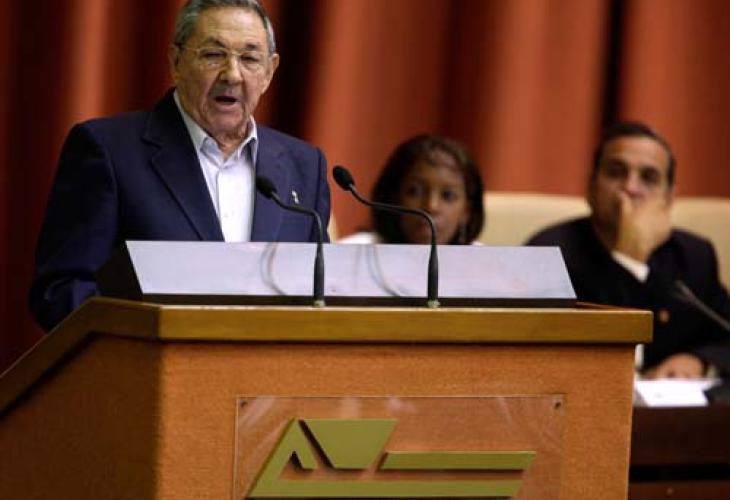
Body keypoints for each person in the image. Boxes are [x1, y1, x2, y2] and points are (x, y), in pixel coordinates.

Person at [30, 0, 331, 332]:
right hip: (148, 361)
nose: (232, 74)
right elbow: (61, 291)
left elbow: (322, 296)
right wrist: (151, 337)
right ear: (176, 62)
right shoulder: (109, 151)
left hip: (270, 365)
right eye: (213, 55)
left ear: (270, 71)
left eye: (249, 59)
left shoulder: (305, 167)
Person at [528, 122, 730, 379]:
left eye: (649, 177)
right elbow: (548, 359)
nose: (631, 188)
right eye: (615, 173)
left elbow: (724, 334)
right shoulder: (547, 254)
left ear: (669, 199)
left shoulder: (694, 255)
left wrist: (698, 360)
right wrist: (628, 259)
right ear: (591, 187)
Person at [340, 134, 485, 245]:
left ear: (467, 211)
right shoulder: (354, 253)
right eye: (416, 192)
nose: (431, 206)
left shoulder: (482, 263)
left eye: (448, 196)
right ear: (394, 197)